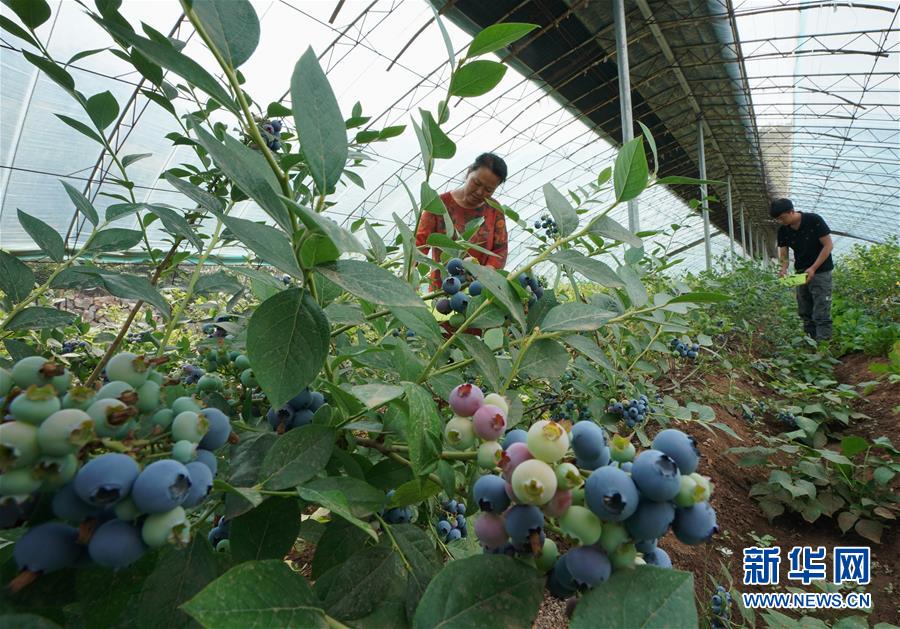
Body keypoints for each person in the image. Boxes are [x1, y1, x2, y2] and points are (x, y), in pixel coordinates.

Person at [415, 153, 509, 290]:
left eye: (488, 190)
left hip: (479, 289)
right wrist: (409, 275)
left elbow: (500, 250)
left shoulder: (495, 210)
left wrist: (485, 274)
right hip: (443, 288)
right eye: (477, 183)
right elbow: (419, 245)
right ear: (469, 172)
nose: (479, 192)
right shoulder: (438, 205)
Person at [771, 198, 834, 341]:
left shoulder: (814, 220)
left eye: (782, 217)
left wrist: (813, 268)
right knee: (805, 309)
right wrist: (783, 268)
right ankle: (810, 341)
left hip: (821, 271)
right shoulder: (783, 230)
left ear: (791, 211)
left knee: (821, 309)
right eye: (777, 219)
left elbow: (828, 245)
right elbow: (784, 253)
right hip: (801, 273)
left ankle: (823, 344)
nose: (780, 221)